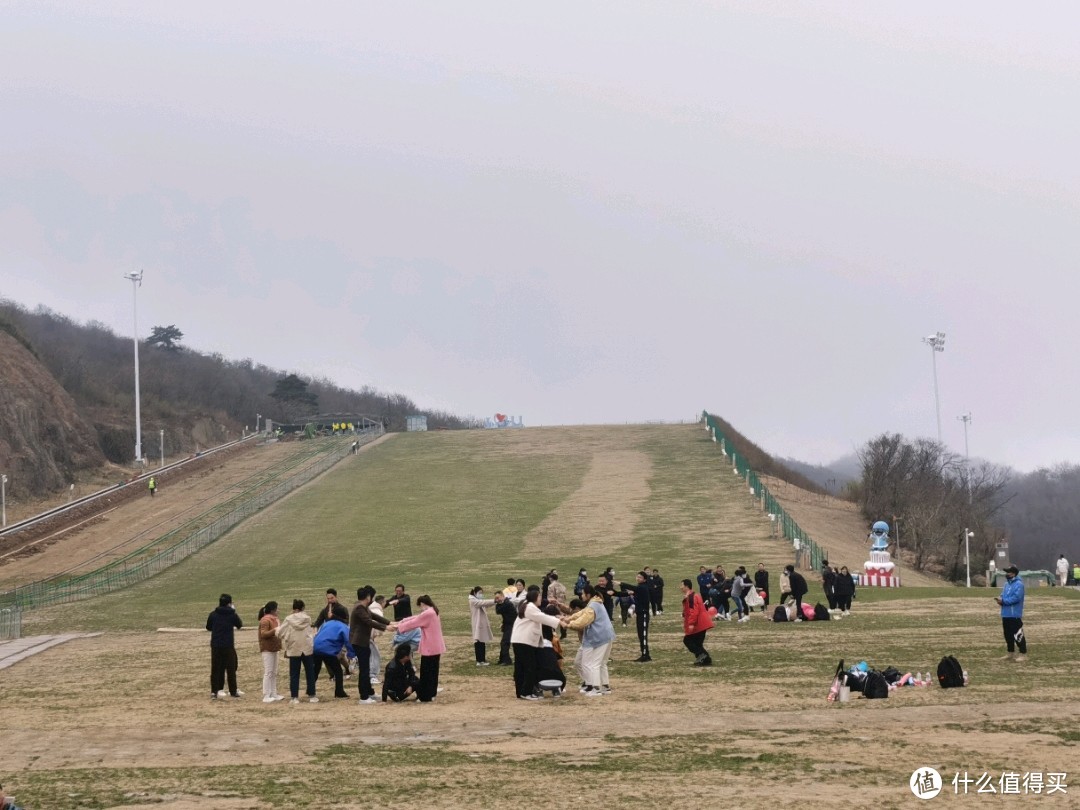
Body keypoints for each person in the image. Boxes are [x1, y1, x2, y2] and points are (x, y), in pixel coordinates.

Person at [509, 585, 562, 700]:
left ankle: (521, 692)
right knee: (530, 667)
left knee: (520, 667)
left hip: (520, 641)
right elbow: (542, 617)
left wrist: (548, 601)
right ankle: (526, 692)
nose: (540, 599)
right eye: (539, 597)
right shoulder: (530, 608)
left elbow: (541, 610)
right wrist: (559, 621)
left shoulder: (527, 605)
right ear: (535, 598)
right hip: (524, 642)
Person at [565, 583, 616, 695]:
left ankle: (596, 689)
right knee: (602, 663)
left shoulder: (593, 606)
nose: (581, 595)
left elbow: (583, 621)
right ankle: (605, 687)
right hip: (607, 636)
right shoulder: (594, 603)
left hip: (600, 637)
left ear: (588, 595)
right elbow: (582, 613)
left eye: (583, 593)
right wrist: (569, 618)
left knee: (594, 664)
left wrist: (568, 624)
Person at [392, 595, 445, 701]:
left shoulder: (428, 613)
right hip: (435, 646)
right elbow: (416, 617)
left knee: (426, 672)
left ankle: (425, 696)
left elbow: (415, 622)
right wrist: (402, 622)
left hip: (430, 647)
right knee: (433, 671)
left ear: (422, 604)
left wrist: (400, 626)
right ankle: (431, 693)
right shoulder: (432, 611)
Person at [349, 586, 394, 704]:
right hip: (359, 642)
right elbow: (368, 621)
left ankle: (370, 692)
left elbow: (374, 616)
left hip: (363, 641)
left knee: (366, 668)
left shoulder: (363, 607)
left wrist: (389, 622)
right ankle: (364, 697)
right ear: (368, 597)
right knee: (364, 669)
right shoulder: (359, 608)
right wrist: (385, 627)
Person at [276, 598, 318, 703]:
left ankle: (294, 697)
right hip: (307, 648)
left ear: (293, 608)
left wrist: (283, 636)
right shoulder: (307, 618)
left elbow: (280, 632)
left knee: (294, 673)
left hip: (294, 648)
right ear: (303, 608)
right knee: (310, 672)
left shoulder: (288, 619)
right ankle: (312, 695)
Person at [206, 594, 243, 699]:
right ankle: (233, 691)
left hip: (216, 644)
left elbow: (208, 627)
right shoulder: (232, 614)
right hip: (228, 644)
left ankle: (214, 691)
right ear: (229, 604)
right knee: (231, 668)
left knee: (216, 668)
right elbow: (239, 625)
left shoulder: (213, 614)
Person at [312, 612, 355, 699]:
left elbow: (319, 634)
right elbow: (348, 641)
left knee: (315, 669)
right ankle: (339, 692)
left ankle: (310, 689)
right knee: (338, 671)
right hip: (328, 650)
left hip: (315, 647)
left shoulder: (326, 623)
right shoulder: (344, 627)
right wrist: (351, 654)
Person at [995, 565, 1027, 662]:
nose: (1007, 574)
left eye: (1008, 572)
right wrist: (1000, 599)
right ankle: (1010, 653)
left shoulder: (1019, 585)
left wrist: (1004, 601)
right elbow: (1003, 595)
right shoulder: (1006, 584)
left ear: (1013, 573)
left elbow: (1016, 598)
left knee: (1018, 634)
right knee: (1007, 635)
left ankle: (1023, 653)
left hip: (1014, 614)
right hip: (1005, 614)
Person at [619, 572, 652, 662]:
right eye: (637, 576)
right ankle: (645, 654)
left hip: (644, 614)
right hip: (639, 613)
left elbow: (633, 588)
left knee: (643, 635)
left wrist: (621, 583)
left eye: (640, 577)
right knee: (640, 634)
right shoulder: (640, 587)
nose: (638, 578)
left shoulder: (643, 587)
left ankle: (645, 655)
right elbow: (632, 591)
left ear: (644, 579)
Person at [680, 579, 712, 666]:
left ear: (686, 586)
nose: (680, 587)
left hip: (699, 623)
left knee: (687, 640)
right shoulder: (693, 595)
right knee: (697, 643)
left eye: (681, 585)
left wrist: (691, 624)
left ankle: (702, 655)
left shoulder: (691, 596)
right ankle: (706, 660)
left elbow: (693, 611)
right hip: (702, 622)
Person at [258, 601, 285, 703]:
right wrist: (275, 631)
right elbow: (264, 634)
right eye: (277, 608)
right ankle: (266, 695)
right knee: (268, 672)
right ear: (273, 610)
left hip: (274, 648)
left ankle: (273, 693)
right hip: (267, 649)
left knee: (274, 672)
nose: (278, 610)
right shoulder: (265, 620)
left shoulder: (275, 619)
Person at [388, 584, 421, 657]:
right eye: (396, 591)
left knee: (407, 638)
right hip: (398, 621)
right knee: (401, 636)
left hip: (408, 622)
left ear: (403, 591)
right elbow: (388, 602)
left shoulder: (406, 597)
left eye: (400, 591)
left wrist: (397, 601)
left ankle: (408, 657)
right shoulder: (394, 597)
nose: (398, 592)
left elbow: (404, 600)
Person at [369, 595, 387, 686]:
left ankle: (371, 675)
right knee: (375, 656)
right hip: (368, 637)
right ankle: (372, 676)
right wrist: (373, 636)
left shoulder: (371, 608)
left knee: (370, 655)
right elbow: (376, 627)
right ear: (381, 602)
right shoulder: (377, 612)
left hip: (365, 637)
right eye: (384, 602)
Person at [494, 590, 516, 665]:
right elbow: (498, 611)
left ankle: (507, 660)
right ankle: (502, 659)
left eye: (498, 597)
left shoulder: (507, 604)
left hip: (512, 625)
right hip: (507, 624)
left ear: (503, 596)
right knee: (504, 642)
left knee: (505, 642)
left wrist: (497, 602)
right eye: (496, 598)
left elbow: (498, 610)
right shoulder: (504, 603)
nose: (497, 599)